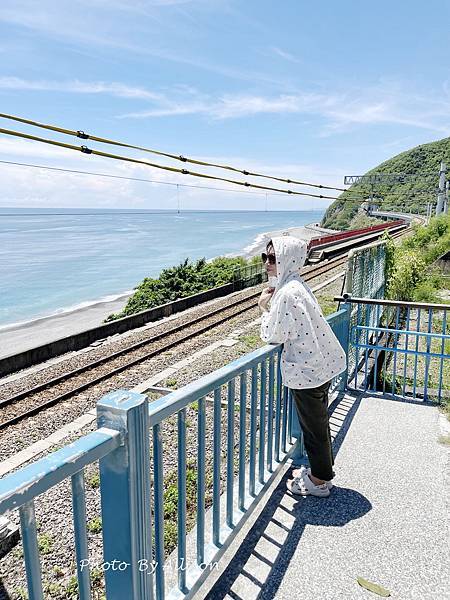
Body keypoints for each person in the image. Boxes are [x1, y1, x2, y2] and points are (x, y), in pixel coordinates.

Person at [258, 236, 347, 497]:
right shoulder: (296, 284)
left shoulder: (286, 293)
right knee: (318, 424)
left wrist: (263, 307)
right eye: (265, 257)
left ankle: (319, 482)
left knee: (314, 429)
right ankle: (321, 474)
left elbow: (273, 334)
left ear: (288, 259)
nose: (267, 264)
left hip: (306, 372)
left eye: (273, 259)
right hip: (319, 365)